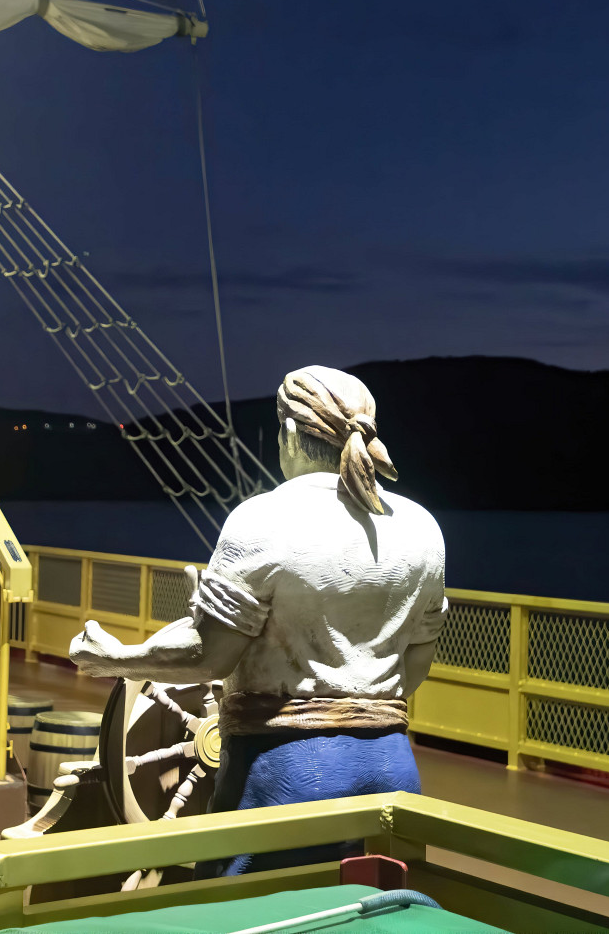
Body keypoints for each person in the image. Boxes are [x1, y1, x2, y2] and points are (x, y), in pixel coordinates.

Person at [69, 365, 446, 877]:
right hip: (393, 769)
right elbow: (415, 669)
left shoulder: (262, 519)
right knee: (378, 903)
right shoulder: (422, 528)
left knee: (247, 908)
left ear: (288, 432)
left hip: (285, 771)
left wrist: (115, 658)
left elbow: (209, 658)